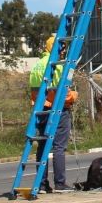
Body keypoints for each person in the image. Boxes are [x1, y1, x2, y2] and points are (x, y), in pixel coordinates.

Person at [29, 35, 78, 192]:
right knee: (59, 147)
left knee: (42, 145)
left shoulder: (37, 65)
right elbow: (63, 93)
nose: (63, 51)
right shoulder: (57, 66)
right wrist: (74, 96)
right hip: (58, 109)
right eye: (62, 47)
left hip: (41, 109)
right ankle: (60, 183)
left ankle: (42, 184)